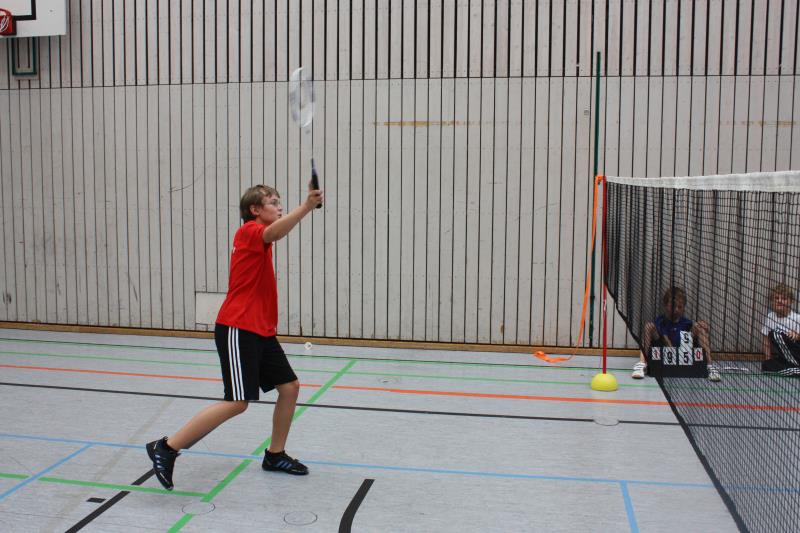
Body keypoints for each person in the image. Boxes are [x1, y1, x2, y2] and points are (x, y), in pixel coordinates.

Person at [146, 182, 323, 490]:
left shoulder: (260, 237)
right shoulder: (249, 231)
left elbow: (275, 232)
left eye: (280, 202)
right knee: (237, 402)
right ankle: (167, 447)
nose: (279, 206)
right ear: (255, 210)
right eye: (273, 202)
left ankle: (275, 455)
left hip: (260, 330)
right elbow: (276, 232)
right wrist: (307, 206)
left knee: (290, 388)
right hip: (238, 328)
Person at [631, 286, 721, 382]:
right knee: (648, 326)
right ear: (665, 305)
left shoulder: (686, 323)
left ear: (684, 308)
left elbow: (696, 332)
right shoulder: (660, 321)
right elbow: (665, 339)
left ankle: (710, 366)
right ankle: (642, 364)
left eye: (680, 307)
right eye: (673, 306)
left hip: (682, 354)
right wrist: (669, 345)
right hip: (663, 352)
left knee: (700, 328)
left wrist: (702, 326)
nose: (676, 310)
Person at [760, 283, 800, 376]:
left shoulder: (797, 318)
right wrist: (768, 359)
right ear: (772, 301)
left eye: (784, 299)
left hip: (797, 355)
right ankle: (794, 370)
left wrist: (797, 336)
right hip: (784, 358)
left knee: (776, 333)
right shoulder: (770, 317)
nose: (780, 301)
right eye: (777, 298)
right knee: (766, 366)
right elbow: (766, 341)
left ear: (791, 301)